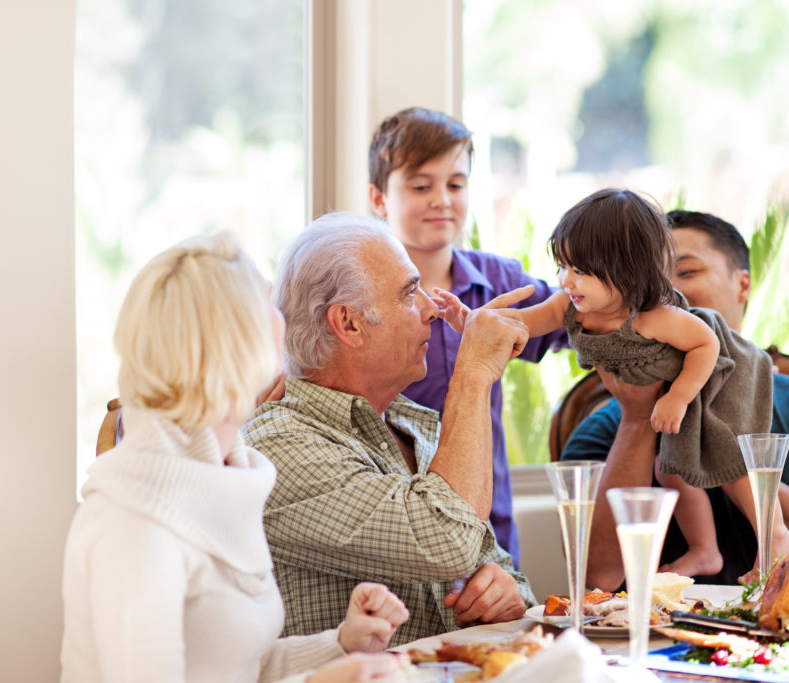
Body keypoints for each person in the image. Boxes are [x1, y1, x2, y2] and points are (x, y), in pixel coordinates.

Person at [61, 232, 410, 683]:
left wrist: (341, 643)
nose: (283, 316)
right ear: (232, 343)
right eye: (267, 301)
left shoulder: (229, 475)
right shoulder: (133, 521)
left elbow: (243, 668)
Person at [437, 188, 788, 581]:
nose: (566, 280)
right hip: (673, 386)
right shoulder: (569, 304)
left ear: (628, 270)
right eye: (563, 266)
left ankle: (775, 536)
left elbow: (706, 344)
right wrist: (471, 322)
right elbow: (522, 323)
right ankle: (705, 551)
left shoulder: (652, 317)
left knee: (726, 458)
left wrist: (678, 397)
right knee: (671, 467)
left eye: (581, 270)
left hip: (715, 374)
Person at [243, 212, 537, 647]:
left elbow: (505, 572)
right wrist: (473, 375)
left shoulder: (415, 425)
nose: (432, 308)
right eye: (408, 293)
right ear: (348, 323)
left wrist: (507, 595)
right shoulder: (277, 446)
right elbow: (447, 540)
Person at [563, 209, 789, 590]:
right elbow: (596, 580)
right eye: (643, 280)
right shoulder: (603, 427)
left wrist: (719, 462)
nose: (662, 294)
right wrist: (636, 420)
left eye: (685, 273)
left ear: (742, 285)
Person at [367, 107, 568, 565]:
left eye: (456, 184)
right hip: (399, 535)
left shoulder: (500, 282)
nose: (442, 199)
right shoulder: (359, 297)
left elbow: (574, 320)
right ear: (379, 199)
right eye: (421, 186)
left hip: (490, 537)